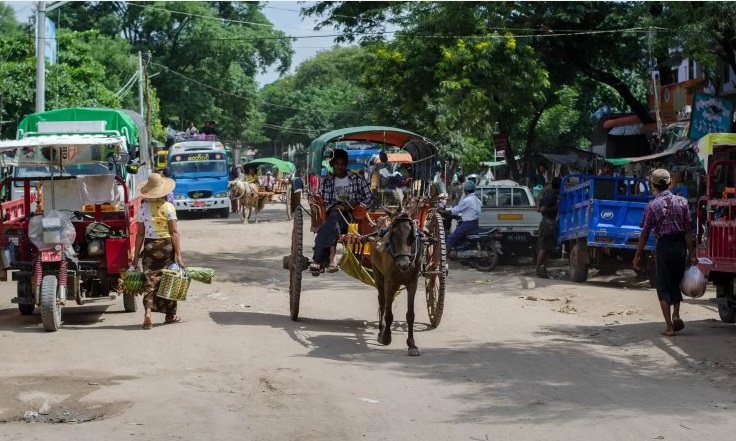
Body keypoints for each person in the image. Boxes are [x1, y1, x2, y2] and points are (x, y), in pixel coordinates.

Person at [633, 169, 697, 337]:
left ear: (653, 186)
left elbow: (645, 233)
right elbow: (688, 232)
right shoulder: (682, 202)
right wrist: (692, 254)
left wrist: (638, 255)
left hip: (664, 246)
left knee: (663, 286)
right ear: (670, 183)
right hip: (680, 246)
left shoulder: (651, 206)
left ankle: (669, 327)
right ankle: (676, 314)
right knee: (676, 280)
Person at [132, 173, 184, 330]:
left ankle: (148, 312)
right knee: (169, 280)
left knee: (150, 282)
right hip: (167, 248)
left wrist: (135, 258)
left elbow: (140, 234)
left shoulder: (142, 208)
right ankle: (170, 315)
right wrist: (179, 256)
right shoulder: (169, 207)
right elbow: (174, 232)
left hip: (149, 247)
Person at [309, 148, 372, 274]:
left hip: (351, 218)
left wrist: (354, 205)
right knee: (334, 216)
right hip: (332, 215)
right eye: (337, 164)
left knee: (332, 221)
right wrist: (334, 206)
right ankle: (332, 255)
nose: (340, 167)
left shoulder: (357, 179)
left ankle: (319, 259)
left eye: (343, 163)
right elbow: (323, 201)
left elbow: (369, 198)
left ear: (346, 164)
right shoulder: (327, 180)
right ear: (332, 165)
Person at [445, 180, 481, 251]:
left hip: (468, 224)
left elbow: (454, 210)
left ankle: (444, 253)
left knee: (452, 237)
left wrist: (444, 211)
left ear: (465, 190)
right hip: (475, 223)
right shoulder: (476, 199)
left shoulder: (467, 200)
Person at [536, 177, 561, 278]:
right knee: (544, 248)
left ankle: (543, 269)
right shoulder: (551, 194)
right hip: (547, 224)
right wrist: (556, 207)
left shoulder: (551, 194)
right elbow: (542, 209)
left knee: (549, 249)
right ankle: (538, 269)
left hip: (550, 223)